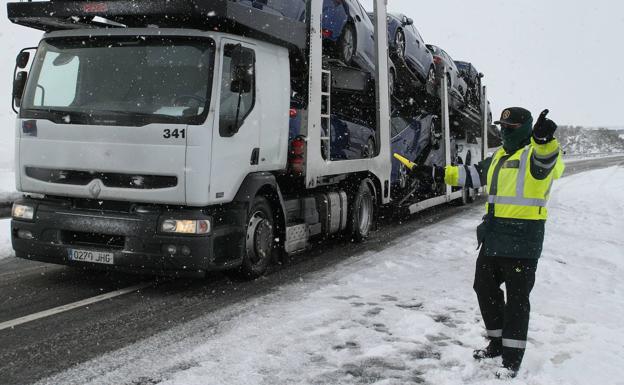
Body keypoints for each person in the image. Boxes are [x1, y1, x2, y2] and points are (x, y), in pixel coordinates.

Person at [410, 107, 564, 378]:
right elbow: (470, 175)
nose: (504, 132)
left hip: (522, 240)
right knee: (484, 288)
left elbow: (547, 164)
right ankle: (496, 342)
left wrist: (544, 141)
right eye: (502, 126)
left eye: (510, 128)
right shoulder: (499, 158)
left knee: (517, 301)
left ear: (526, 129)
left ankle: (512, 359)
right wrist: (434, 174)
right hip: (493, 237)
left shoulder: (535, 155)